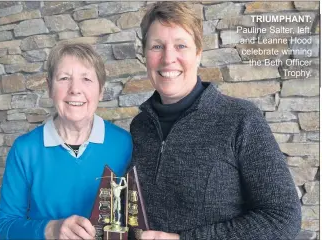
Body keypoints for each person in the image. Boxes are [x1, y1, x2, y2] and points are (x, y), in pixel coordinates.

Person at [129, 2, 301, 240]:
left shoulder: (240, 119)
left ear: (198, 53)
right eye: (157, 46)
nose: (168, 58)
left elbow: (283, 218)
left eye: (181, 45)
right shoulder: (139, 127)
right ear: (145, 56)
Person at [0, 43, 132, 239]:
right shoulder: (24, 150)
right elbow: (5, 227)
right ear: (49, 87)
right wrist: (50, 229)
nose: (75, 89)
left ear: (101, 91)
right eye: (64, 78)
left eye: (86, 79)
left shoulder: (125, 144)